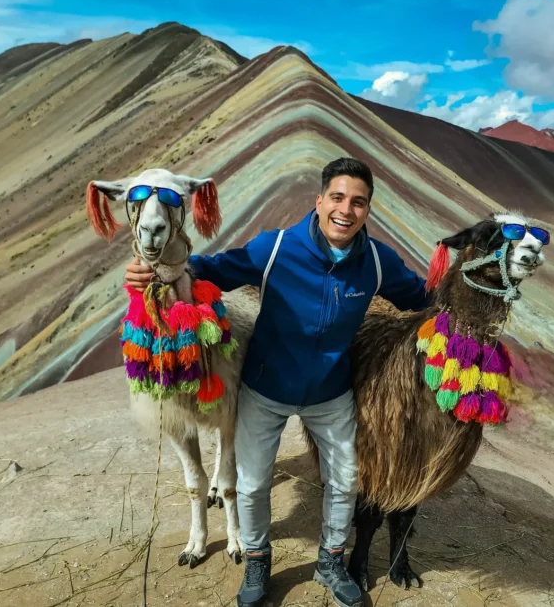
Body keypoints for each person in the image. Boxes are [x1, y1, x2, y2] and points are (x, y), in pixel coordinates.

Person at [124, 157, 430, 607]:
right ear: (320, 200)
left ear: (368, 210)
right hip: (266, 390)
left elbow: (421, 297)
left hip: (331, 393)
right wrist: (154, 273)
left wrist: (478, 293)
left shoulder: (377, 264)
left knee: (344, 482)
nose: (346, 210)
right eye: (338, 198)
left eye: (358, 202)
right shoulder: (277, 248)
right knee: (250, 484)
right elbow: (214, 268)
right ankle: (256, 563)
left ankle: (330, 561)